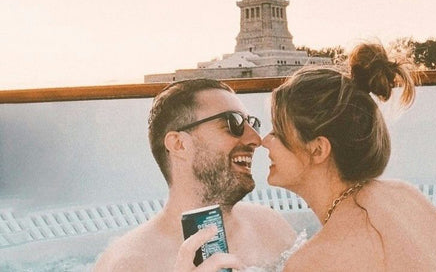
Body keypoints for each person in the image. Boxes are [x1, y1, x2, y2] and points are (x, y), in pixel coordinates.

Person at [261, 43, 436, 271]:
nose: (265, 141)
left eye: (277, 133)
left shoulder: (311, 263)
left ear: (318, 149)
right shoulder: (406, 196)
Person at [94, 79, 296, 271]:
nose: (255, 139)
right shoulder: (130, 263)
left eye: (253, 124)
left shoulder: (270, 227)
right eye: (233, 123)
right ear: (179, 145)